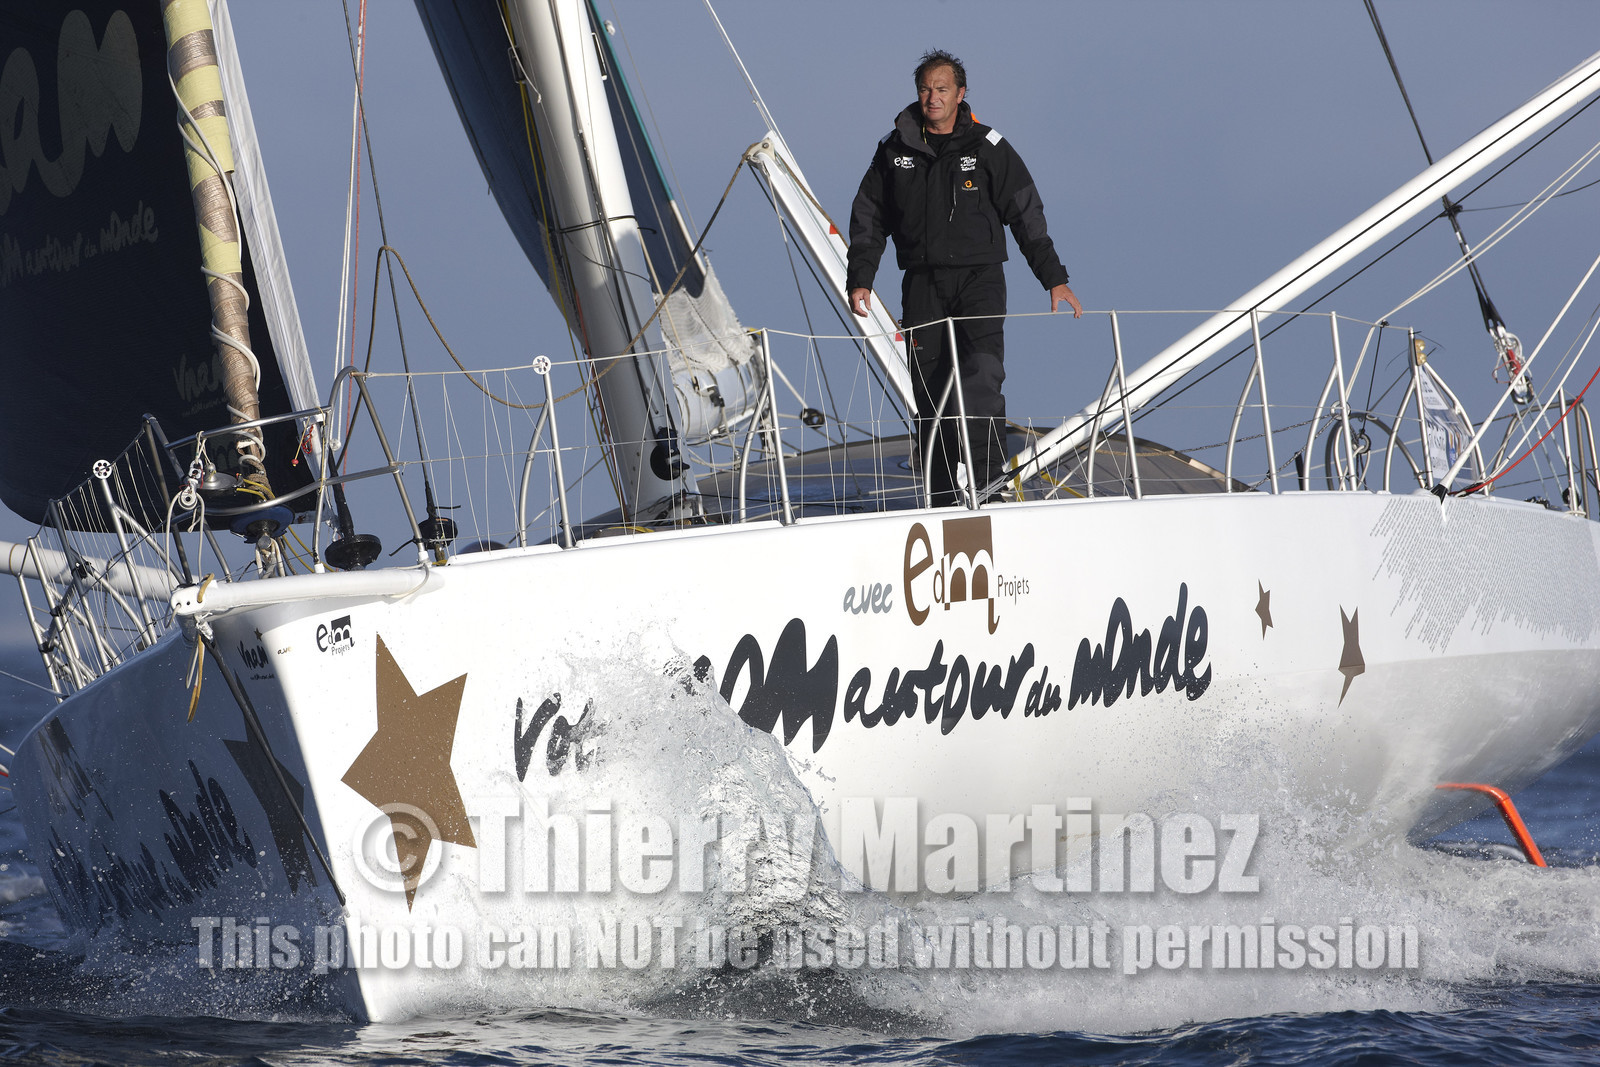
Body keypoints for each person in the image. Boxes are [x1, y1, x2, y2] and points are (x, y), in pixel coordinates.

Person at [847, 50, 1081, 507]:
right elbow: (869, 216)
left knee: (980, 377)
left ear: (961, 94)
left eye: (941, 89)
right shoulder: (893, 150)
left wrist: (1054, 278)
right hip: (922, 283)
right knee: (930, 388)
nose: (932, 98)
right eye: (925, 89)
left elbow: (1025, 214)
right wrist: (861, 277)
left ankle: (990, 487)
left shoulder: (988, 147)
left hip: (980, 280)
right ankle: (941, 496)